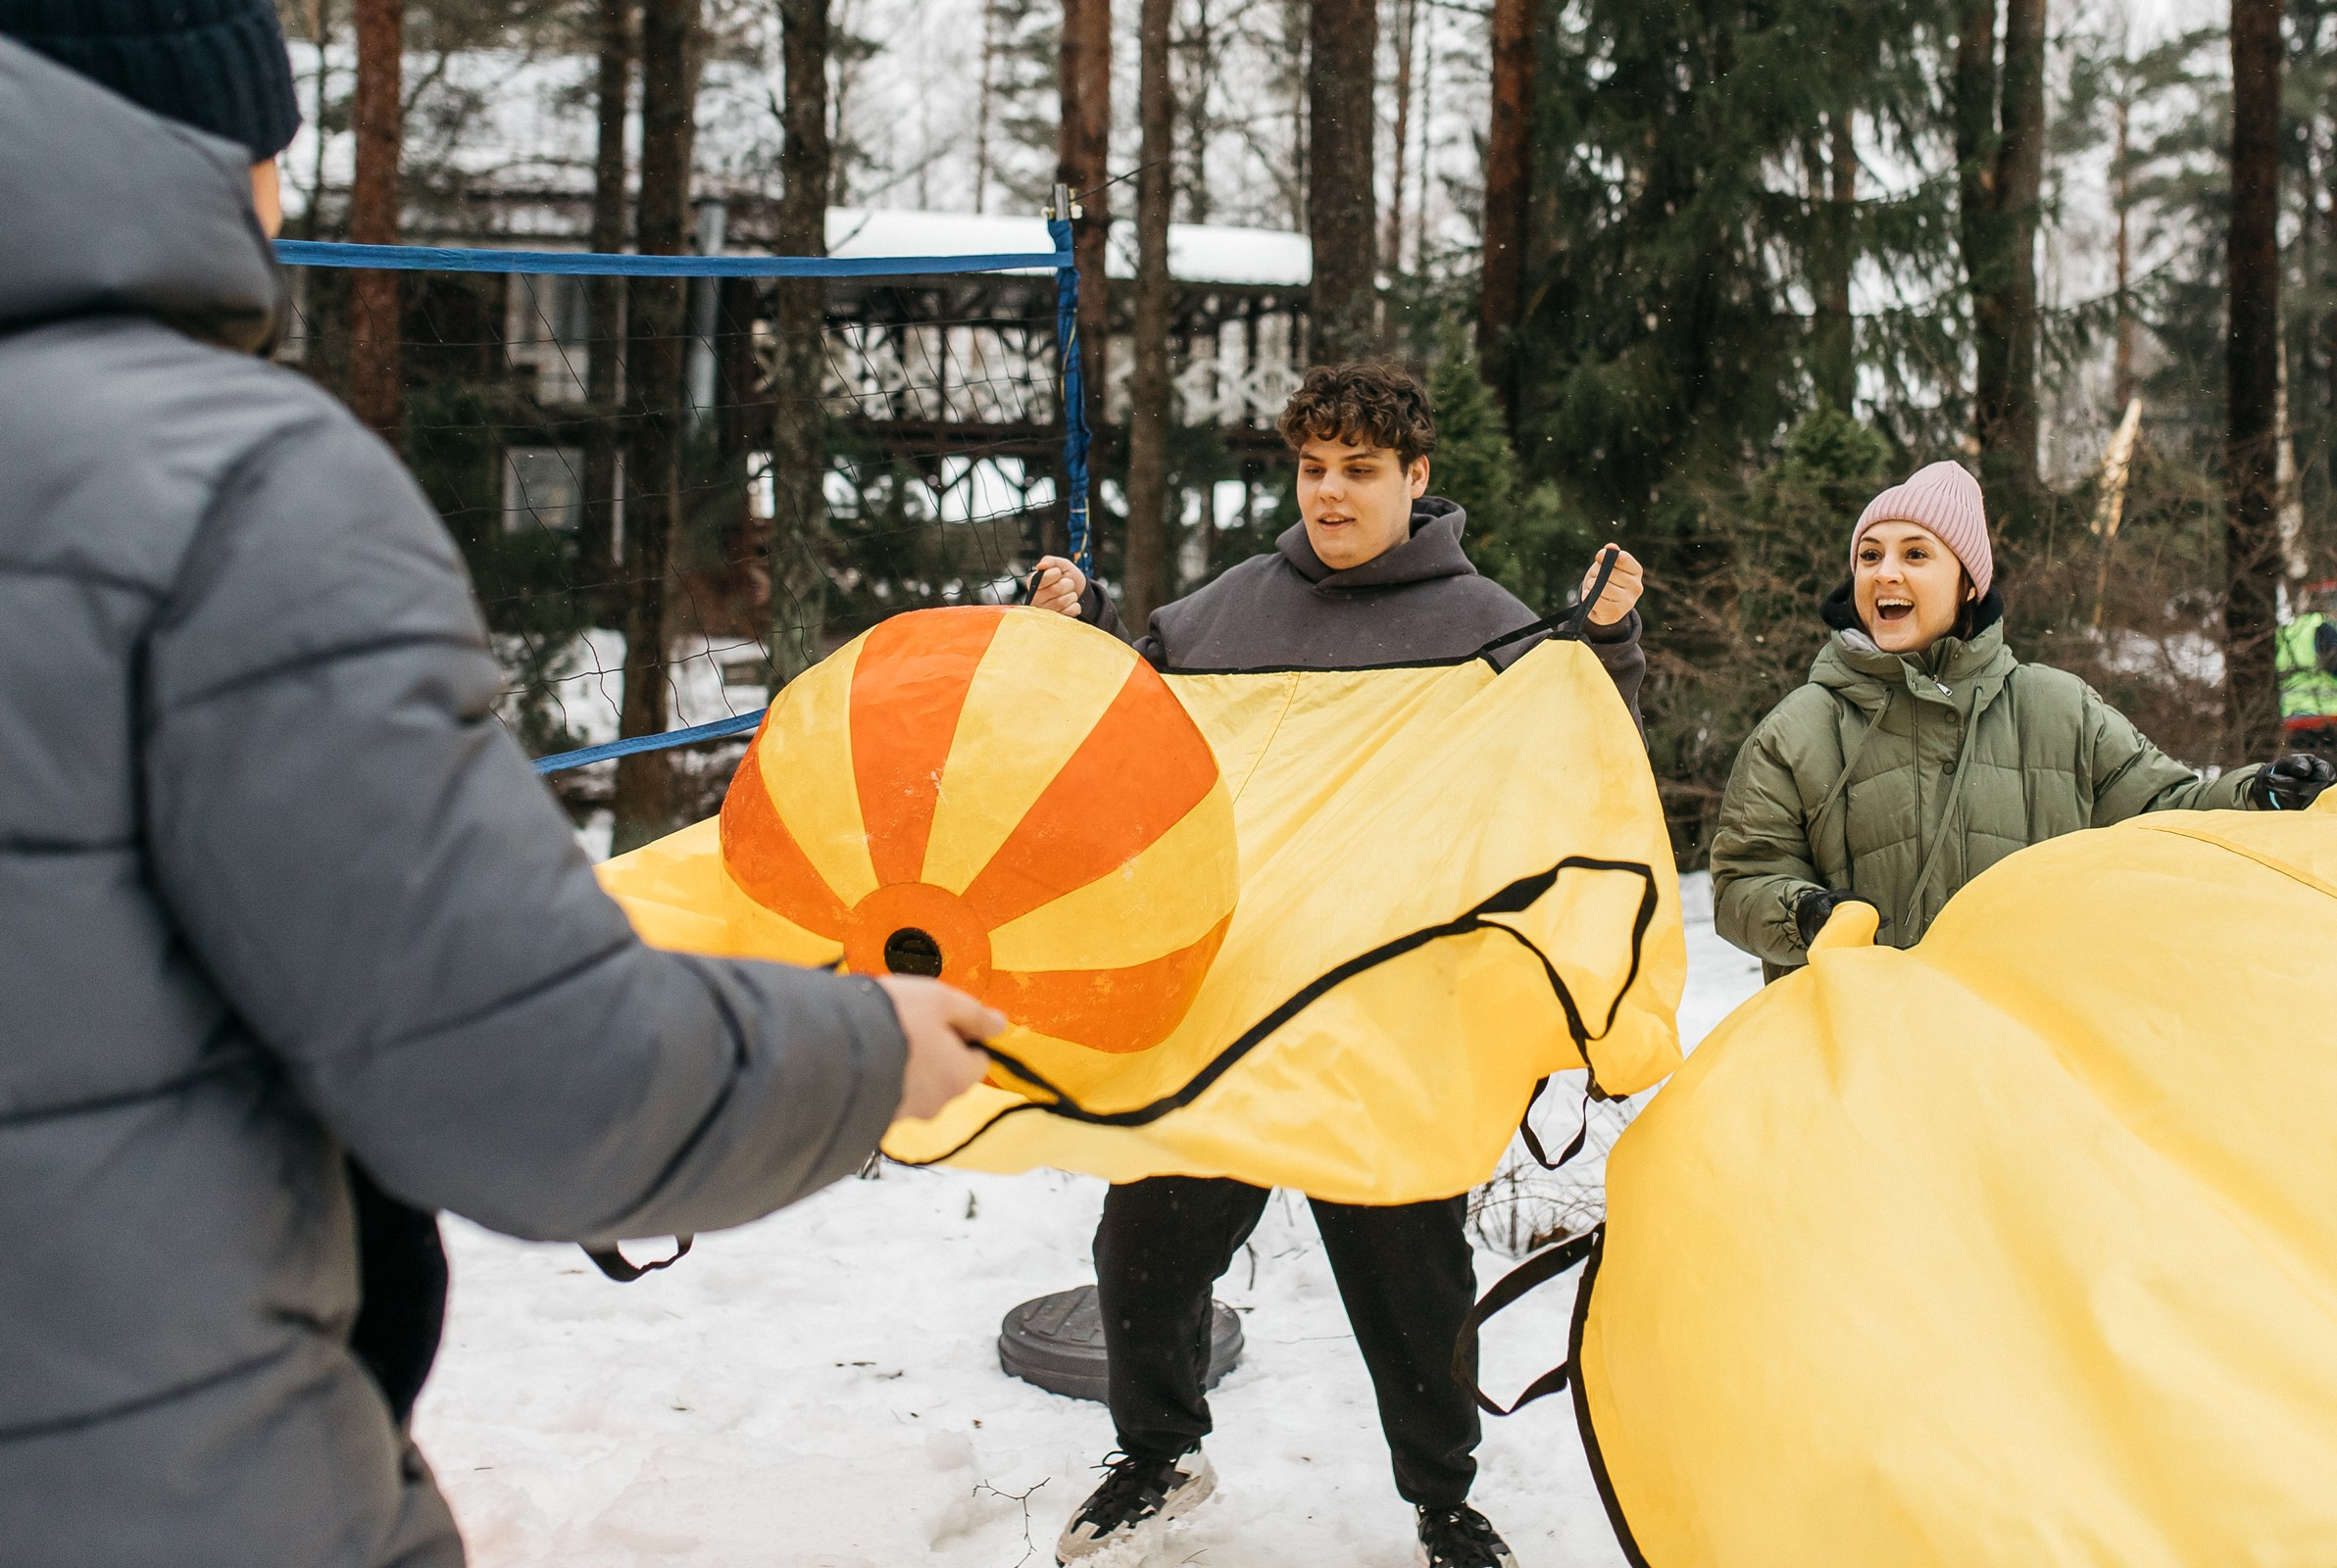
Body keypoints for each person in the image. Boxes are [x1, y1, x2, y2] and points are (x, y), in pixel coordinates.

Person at [0, 11, 998, 1565]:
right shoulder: (234, 487)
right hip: (155, 1485)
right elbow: (532, 1077)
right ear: (218, 146)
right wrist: (868, 1049)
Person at [1025, 361, 1649, 1568]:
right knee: (1141, 1250)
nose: (1330, 492)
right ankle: (1158, 1458)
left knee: (1412, 1289)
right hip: (1232, 1011)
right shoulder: (1224, 614)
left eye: (1360, 470)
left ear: (1417, 478)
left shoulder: (1487, 628)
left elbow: (1588, 760)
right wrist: (1078, 632)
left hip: (1387, 1019)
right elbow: (1126, 734)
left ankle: (1444, 1502)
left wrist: (1608, 643)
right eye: (1314, 468)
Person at [1712, 460, 2336, 979]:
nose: (1885, 572)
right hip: (1861, 1060)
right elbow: (1744, 878)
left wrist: (2257, 794)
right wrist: (1805, 914)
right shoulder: (1799, 729)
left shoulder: (2058, 709)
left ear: (1968, 585)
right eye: (1870, 556)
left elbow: (2167, 808)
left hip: (2030, 1056)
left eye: (1916, 553)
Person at [2277, 577, 2337, 772]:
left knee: (2306, 772)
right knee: (2336, 775)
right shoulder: (2323, 626)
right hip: (2329, 718)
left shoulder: (2287, 631)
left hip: (2293, 718)